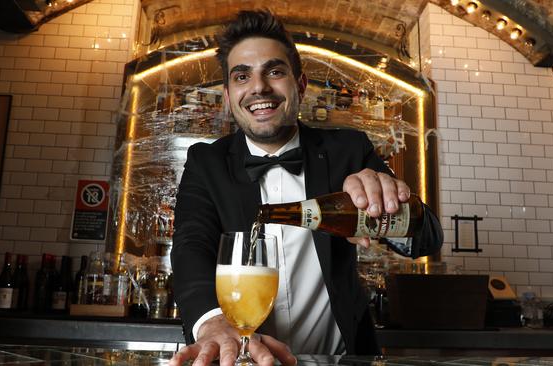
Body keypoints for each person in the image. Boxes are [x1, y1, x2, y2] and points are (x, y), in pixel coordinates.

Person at [170, 10, 443, 366]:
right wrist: (213, 323)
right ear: (227, 95)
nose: (259, 87)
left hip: (339, 358)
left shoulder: (349, 150)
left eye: (275, 71)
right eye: (242, 76)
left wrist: (388, 202)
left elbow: (428, 238)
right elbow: (191, 245)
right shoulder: (206, 162)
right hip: (241, 359)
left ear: (300, 85)